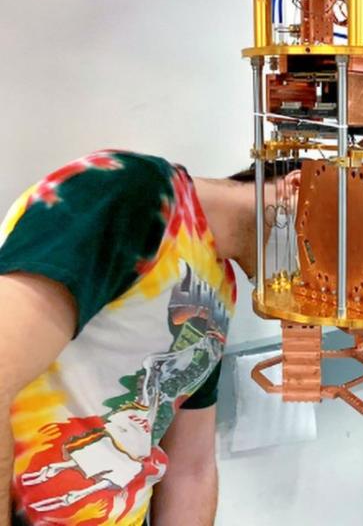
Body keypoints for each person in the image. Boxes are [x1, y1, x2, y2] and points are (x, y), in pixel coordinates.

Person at [0, 150, 292, 526]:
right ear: (298, 192)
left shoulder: (218, 290)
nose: (328, 294)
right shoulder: (130, 192)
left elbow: (192, 469)